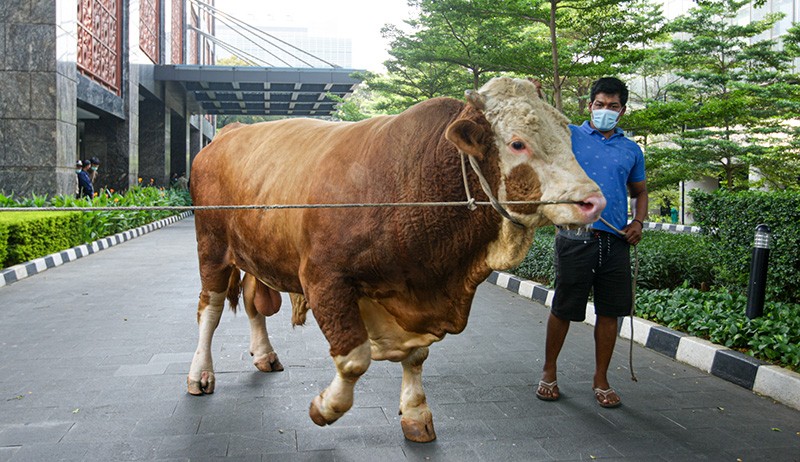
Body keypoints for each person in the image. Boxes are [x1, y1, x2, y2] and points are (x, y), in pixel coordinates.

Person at [537, 77, 648, 408]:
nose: (605, 111)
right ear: (590, 106)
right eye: (600, 104)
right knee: (564, 308)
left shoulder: (631, 150)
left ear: (622, 111)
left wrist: (638, 222)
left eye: (613, 106)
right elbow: (541, 128)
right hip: (574, 237)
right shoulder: (570, 136)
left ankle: (601, 379)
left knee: (610, 312)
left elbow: (640, 192)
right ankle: (548, 371)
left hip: (616, 241)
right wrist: (537, 98)